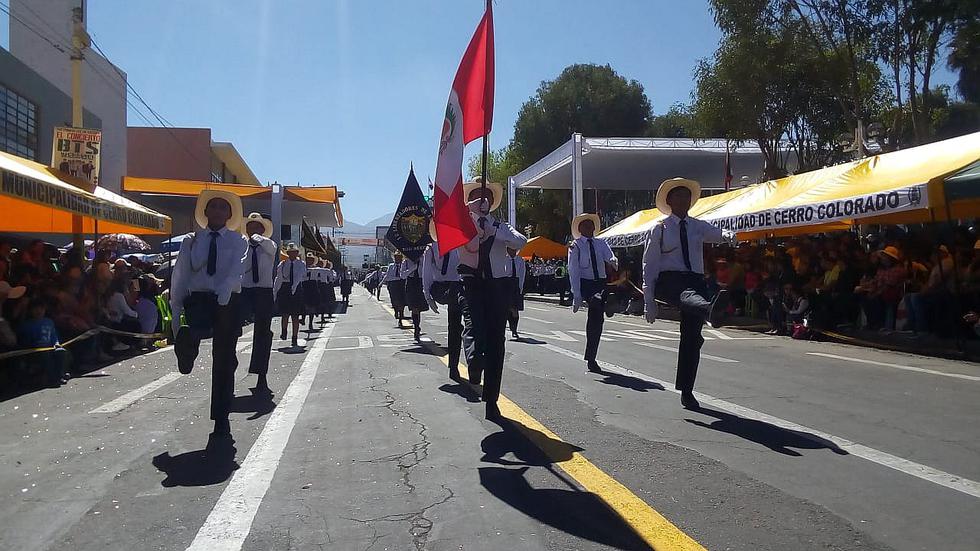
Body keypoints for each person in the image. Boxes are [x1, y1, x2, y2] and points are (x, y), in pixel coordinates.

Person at [643, 178, 733, 410]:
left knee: (692, 339)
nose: (684, 200)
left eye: (687, 196)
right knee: (687, 296)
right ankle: (710, 310)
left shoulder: (697, 226)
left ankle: (686, 390)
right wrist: (648, 299)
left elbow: (716, 232)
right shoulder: (659, 228)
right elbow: (649, 265)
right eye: (679, 196)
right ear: (670, 201)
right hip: (670, 280)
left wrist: (728, 235)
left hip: (695, 280)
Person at [170, 189, 248, 438]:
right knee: (194, 331)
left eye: (222, 207)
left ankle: (221, 417)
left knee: (225, 359)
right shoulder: (192, 240)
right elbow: (181, 273)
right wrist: (176, 305)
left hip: (227, 300)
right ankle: (188, 345)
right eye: (212, 206)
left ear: (229, 214)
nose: (216, 211)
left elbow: (238, 268)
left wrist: (225, 291)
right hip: (200, 298)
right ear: (204, 212)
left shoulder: (238, 241)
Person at [457, 180, 528, 419]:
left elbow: (520, 242)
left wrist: (495, 232)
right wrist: (476, 228)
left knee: (497, 341)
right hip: (472, 283)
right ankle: (474, 363)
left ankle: (491, 398)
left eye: (486, 196)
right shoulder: (463, 223)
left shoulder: (501, 225)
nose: (483, 200)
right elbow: (462, 245)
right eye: (478, 196)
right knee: (474, 327)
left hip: (497, 285)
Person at [568, 213, 618, 373]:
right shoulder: (575, 246)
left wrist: (613, 261)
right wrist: (576, 295)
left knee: (596, 321)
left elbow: (609, 255)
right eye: (585, 225)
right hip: (586, 284)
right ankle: (606, 305)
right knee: (597, 301)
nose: (589, 228)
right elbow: (573, 270)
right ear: (580, 229)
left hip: (601, 282)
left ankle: (591, 357)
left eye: (591, 225)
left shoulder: (601, 243)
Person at [422, 220, 464, 380]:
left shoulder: (460, 246)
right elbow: (426, 275)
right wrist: (428, 297)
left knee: (455, 327)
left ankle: (454, 365)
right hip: (439, 288)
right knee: (455, 320)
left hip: (458, 288)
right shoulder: (431, 250)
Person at [240, 213, 277, 393]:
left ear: (263, 230)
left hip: (263, 292)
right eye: (250, 227)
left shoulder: (269, 245)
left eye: (257, 227)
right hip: (244, 291)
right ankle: (229, 367)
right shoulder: (241, 246)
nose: (253, 230)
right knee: (230, 329)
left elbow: (269, 246)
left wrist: (257, 238)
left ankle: (261, 374)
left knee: (262, 333)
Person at [274, 243, 307, 347]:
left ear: (297, 253)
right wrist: (275, 291)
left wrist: (294, 287)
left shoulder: (301, 264)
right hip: (285, 288)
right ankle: (284, 331)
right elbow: (278, 278)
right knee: (284, 314)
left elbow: (299, 276)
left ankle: (294, 337)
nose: (292, 254)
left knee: (295, 316)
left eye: (294, 252)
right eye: (290, 252)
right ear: (287, 253)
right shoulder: (282, 264)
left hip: (296, 289)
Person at [400, 251, 429, 341]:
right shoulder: (406, 262)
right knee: (414, 308)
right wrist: (413, 268)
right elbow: (402, 275)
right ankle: (416, 328)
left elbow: (428, 271)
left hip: (421, 283)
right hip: (411, 283)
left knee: (419, 308)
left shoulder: (424, 259)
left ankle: (417, 326)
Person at [383, 252, 408, 328]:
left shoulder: (404, 265)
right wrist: (381, 283)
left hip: (402, 284)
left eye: (399, 257)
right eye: (396, 257)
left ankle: (401, 317)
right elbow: (388, 276)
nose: (398, 259)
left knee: (402, 301)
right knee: (394, 300)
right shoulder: (391, 266)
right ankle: (396, 311)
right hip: (393, 285)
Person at [507, 248, 526, 340]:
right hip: (506, 284)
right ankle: (509, 327)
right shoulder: (504, 259)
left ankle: (514, 330)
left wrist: (521, 288)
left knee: (515, 310)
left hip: (516, 285)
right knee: (506, 309)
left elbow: (522, 274)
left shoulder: (520, 260)